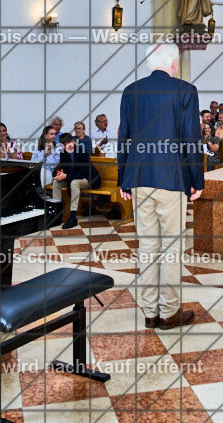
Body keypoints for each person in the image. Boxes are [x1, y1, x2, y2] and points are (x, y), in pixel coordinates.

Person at [118, 43, 203, 330]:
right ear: (174, 64)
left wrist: (124, 179)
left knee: (148, 247)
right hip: (171, 180)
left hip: (140, 180)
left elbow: (124, 139)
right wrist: (196, 180)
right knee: (170, 248)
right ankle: (168, 312)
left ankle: (150, 312)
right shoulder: (185, 91)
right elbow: (191, 139)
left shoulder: (131, 92)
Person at [54, 132, 102, 229]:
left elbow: (82, 174)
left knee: (74, 183)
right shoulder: (63, 153)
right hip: (72, 178)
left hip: (88, 179)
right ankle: (57, 214)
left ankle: (72, 216)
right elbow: (65, 169)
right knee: (56, 183)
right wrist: (61, 174)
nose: (67, 146)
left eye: (69, 143)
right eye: (64, 145)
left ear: (73, 142)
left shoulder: (82, 152)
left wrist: (65, 176)